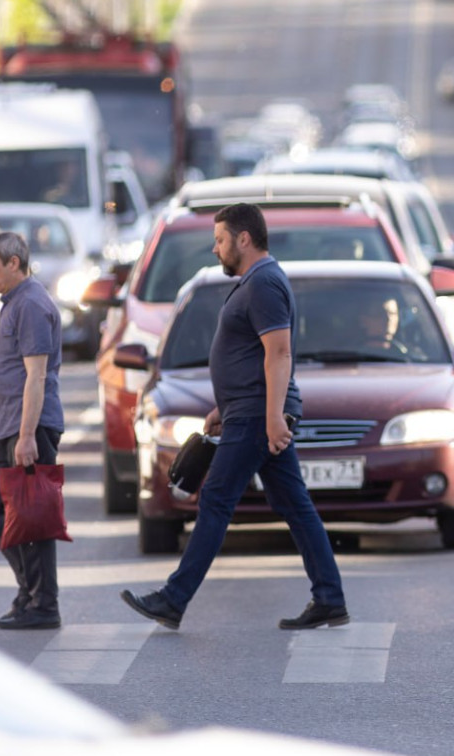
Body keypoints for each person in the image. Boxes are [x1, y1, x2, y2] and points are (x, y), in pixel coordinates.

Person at [120, 203, 347, 630]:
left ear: (244, 239)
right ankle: (330, 598)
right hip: (248, 412)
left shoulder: (263, 284)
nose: (215, 248)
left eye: (221, 239)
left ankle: (173, 599)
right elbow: (249, 356)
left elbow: (279, 353)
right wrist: (225, 407)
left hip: (258, 417)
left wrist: (273, 416)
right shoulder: (257, 281)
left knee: (216, 500)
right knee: (295, 505)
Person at [0, 232, 65, 630]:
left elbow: (37, 376)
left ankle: (43, 604)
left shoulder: (31, 305)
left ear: (14, 263)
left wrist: (27, 437)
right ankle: (29, 589)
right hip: (5, 425)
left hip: (28, 427)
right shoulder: (13, 304)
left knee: (33, 515)